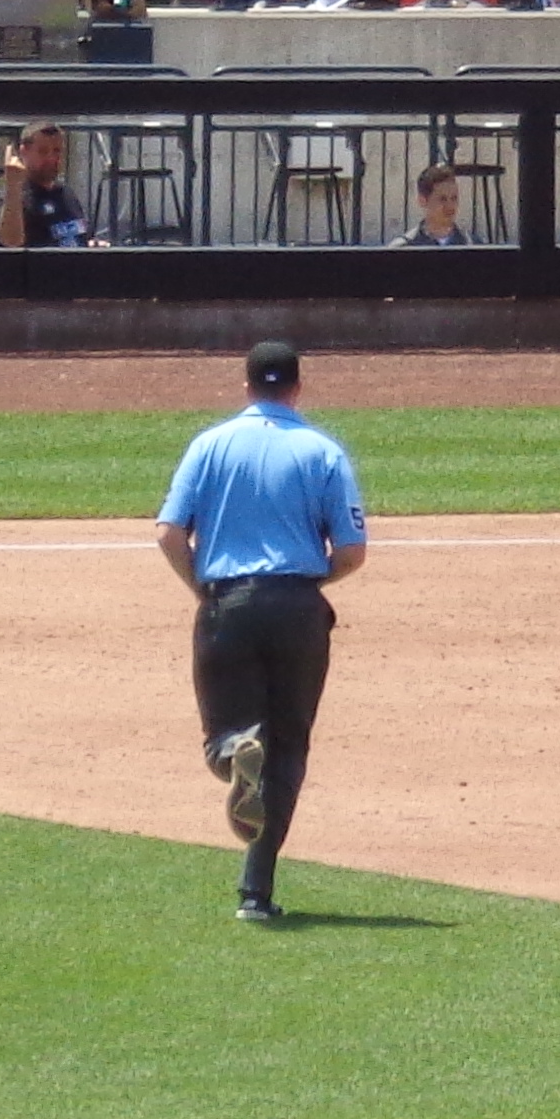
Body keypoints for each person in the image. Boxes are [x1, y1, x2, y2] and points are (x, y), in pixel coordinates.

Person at [153, 334, 367, 928]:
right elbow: (352, 551)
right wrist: (303, 586)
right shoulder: (323, 451)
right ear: (297, 387)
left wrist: (205, 590)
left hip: (227, 602)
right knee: (289, 748)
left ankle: (230, 754)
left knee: (229, 734)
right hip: (298, 609)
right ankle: (256, 891)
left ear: (246, 385)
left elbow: (170, 534)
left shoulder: (210, 444)